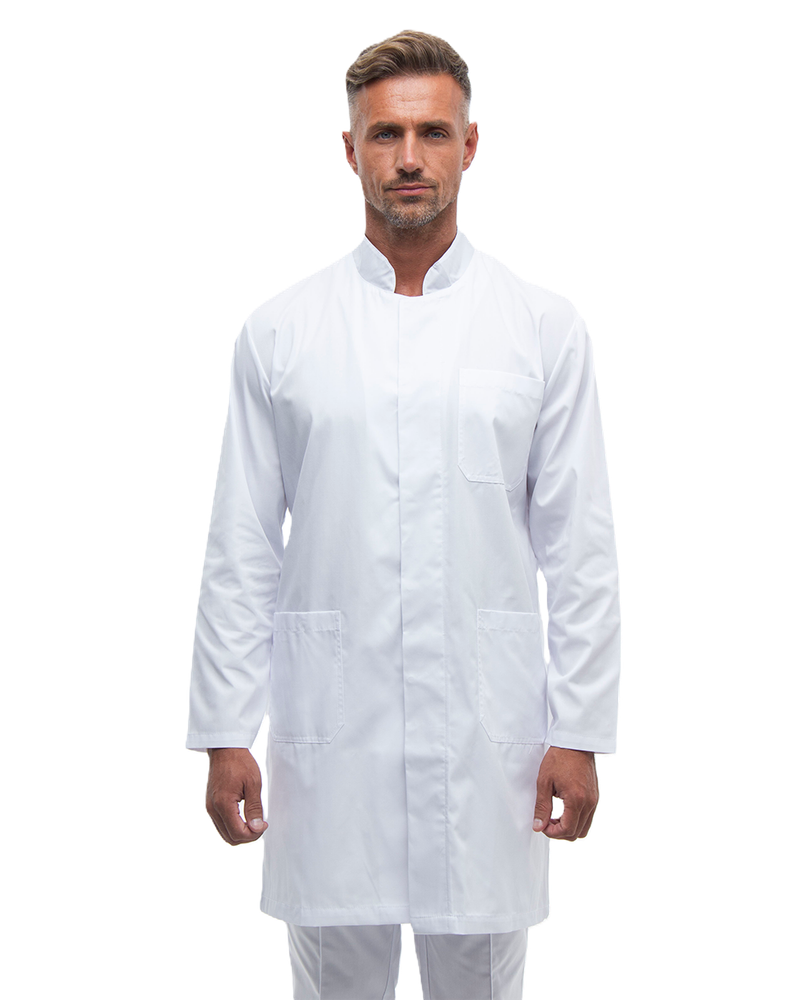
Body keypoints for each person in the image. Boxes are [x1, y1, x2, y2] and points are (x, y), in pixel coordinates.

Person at [185, 29, 622, 1000]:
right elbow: (242, 546)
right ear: (351, 150)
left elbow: (581, 551)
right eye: (386, 134)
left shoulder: (540, 328)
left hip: (490, 736)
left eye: (433, 132)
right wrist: (225, 729)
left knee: (483, 983)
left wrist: (581, 729)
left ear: (471, 144)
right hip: (331, 733)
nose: (410, 157)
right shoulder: (282, 332)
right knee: (336, 982)